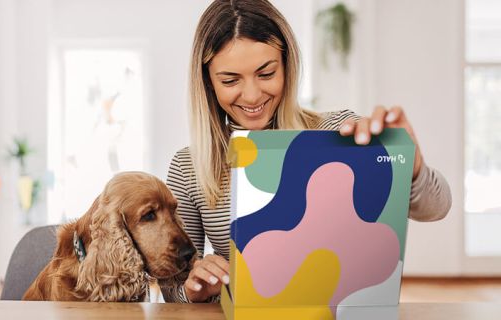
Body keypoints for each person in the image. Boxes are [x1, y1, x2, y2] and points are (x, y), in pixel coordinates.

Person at [161, 0, 451, 303]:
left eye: (266, 73)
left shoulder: (337, 131)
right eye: (230, 80)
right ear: (207, 81)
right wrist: (196, 288)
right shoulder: (188, 166)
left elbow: (437, 207)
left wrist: (411, 165)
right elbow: (173, 288)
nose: (252, 95)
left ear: (287, 65)